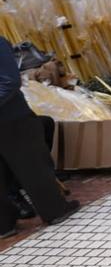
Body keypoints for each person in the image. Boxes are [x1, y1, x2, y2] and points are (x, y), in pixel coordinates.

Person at [0, 36, 79, 236]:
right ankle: (54, 210)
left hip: (9, 115)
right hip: (11, 116)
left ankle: (4, 225)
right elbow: (9, 81)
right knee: (33, 164)